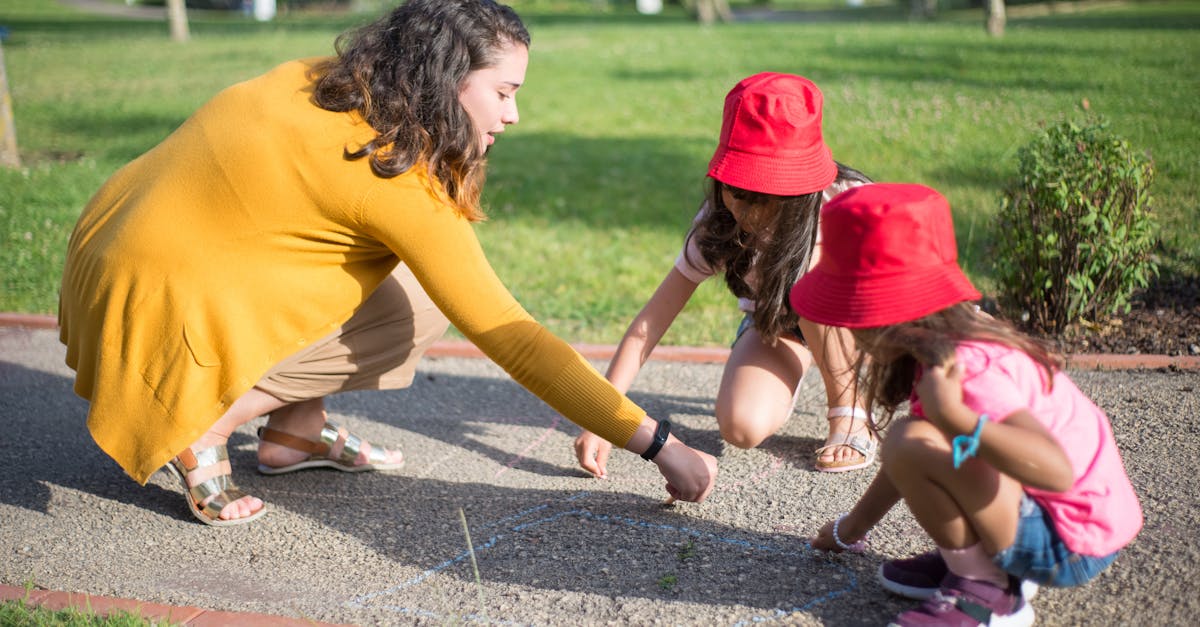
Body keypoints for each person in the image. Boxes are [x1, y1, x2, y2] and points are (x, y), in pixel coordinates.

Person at [58, 0, 717, 527]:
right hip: (151, 307)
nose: (515, 115)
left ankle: (295, 429)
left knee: (391, 274)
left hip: (106, 258)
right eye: (505, 92)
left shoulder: (327, 81)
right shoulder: (389, 176)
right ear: (449, 83)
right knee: (419, 305)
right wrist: (660, 444)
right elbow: (513, 338)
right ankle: (202, 423)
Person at [792, 183, 1143, 625]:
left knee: (910, 438)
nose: (848, 332)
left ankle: (989, 591)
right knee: (913, 441)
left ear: (888, 314)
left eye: (852, 316)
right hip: (1063, 517)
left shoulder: (969, 369)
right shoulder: (940, 347)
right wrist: (850, 530)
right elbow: (907, 464)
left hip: (1070, 541)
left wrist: (956, 417)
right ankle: (976, 560)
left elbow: (1056, 470)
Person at [573, 72, 875, 479]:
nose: (749, 214)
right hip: (777, 324)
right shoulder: (718, 224)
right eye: (739, 193)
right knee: (741, 426)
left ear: (801, 189)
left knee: (808, 285)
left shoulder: (848, 203)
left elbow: (908, 288)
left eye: (768, 198)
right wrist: (604, 416)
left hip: (858, 325)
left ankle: (851, 416)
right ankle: (805, 362)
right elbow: (651, 321)